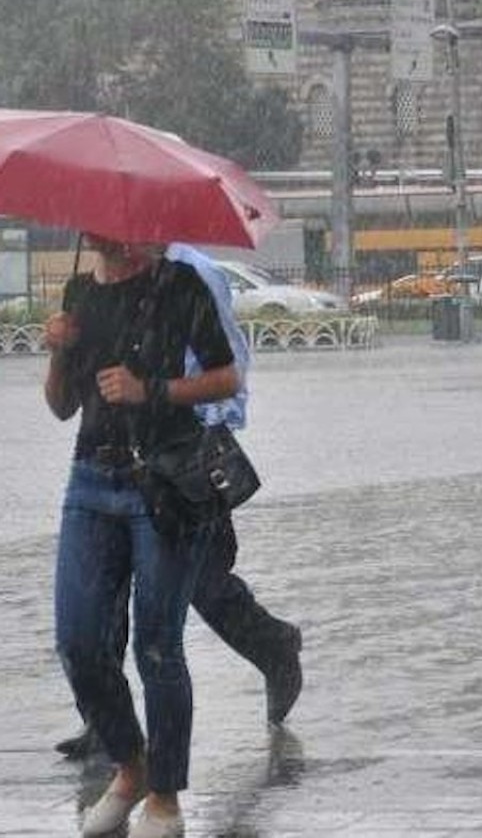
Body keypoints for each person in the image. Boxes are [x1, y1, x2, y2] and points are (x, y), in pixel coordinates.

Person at [54, 243, 303, 761]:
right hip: (121, 465)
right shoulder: (92, 284)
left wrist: (191, 441)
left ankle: (273, 645)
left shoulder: (191, 273)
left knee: (205, 586)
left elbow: (231, 364)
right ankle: (105, 721)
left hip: (185, 463)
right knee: (107, 591)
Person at [45, 236, 239, 837]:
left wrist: (148, 390)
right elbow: (59, 407)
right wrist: (57, 353)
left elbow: (226, 375)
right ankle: (130, 766)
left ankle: (165, 796)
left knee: (157, 645)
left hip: (162, 483)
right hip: (90, 483)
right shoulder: (79, 293)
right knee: (79, 642)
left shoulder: (179, 285)